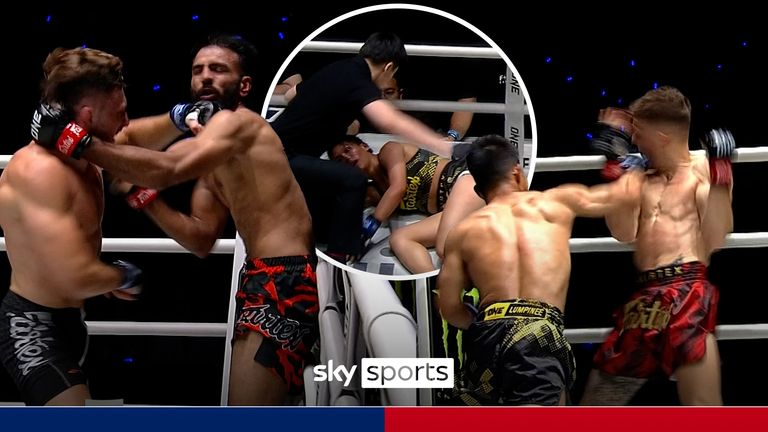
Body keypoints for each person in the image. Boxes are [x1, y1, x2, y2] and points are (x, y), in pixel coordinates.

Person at [32, 34, 317, 405]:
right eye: (198, 70)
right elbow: (200, 238)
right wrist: (144, 197)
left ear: (244, 85)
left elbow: (168, 169)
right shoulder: (212, 151)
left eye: (218, 69)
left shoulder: (240, 125)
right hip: (261, 276)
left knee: (247, 415)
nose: (206, 76)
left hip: (285, 277)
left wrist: (77, 141)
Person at [437, 135, 642, 406]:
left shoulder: (462, 232)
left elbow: (449, 308)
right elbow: (619, 197)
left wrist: (480, 320)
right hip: (537, 331)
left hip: (487, 332)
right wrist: (628, 162)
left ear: (478, 190)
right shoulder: (555, 203)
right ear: (516, 172)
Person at [0, 47, 141, 406]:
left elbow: (140, 139)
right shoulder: (41, 171)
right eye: (120, 112)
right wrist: (121, 275)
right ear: (88, 116)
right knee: (73, 422)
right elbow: (74, 277)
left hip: (72, 323)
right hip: (33, 327)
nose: (126, 122)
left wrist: (179, 118)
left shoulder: (86, 154)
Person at [580, 86, 734, 405]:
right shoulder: (637, 174)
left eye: (638, 132)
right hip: (644, 301)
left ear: (661, 137)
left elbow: (716, 238)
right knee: (594, 409)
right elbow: (622, 232)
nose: (633, 139)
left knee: (705, 411)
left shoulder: (703, 171)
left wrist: (722, 176)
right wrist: (616, 171)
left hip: (689, 293)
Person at [271, 32, 453, 263]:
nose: (348, 156)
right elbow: (389, 120)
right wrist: (437, 142)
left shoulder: (337, 69)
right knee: (352, 179)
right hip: (282, 156)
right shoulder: (359, 81)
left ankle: (333, 252)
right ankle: (340, 256)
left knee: (329, 209)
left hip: (280, 151)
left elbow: (290, 95)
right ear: (389, 68)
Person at [329, 136, 484, 274]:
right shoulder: (375, 192)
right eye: (340, 161)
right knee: (399, 239)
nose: (347, 158)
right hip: (451, 209)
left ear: (364, 146)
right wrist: (349, 242)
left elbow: (398, 188)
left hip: (466, 182)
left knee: (444, 246)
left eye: (348, 150)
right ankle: (434, 286)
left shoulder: (389, 150)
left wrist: (369, 226)